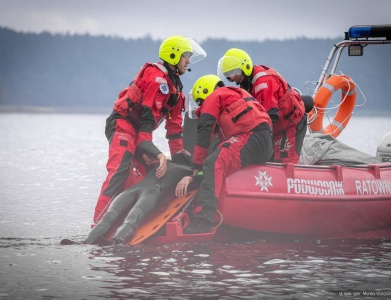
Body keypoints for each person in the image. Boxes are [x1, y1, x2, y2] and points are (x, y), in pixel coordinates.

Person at [93, 35, 207, 224]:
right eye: (186, 55)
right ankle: (98, 223)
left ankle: (128, 220)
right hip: (123, 125)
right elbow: (145, 134)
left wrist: (182, 157)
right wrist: (159, 155)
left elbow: (174, 129)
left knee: (147, 176)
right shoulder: (156, 80)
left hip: (138, 133)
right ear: (173, 55)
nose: (188, 60)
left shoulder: (175, 88)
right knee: (119, 171)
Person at [182, 75, 274, 234]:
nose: (200, 107)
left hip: (251, 136)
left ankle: (203, 220)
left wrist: (197, 166)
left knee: (214, 163)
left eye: (199, 103)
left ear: (205, 92)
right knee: (215, 158)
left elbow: (204, 132)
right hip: (265, 141)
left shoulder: (214, 96)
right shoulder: (234, 95)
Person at [217, 48, 307, 164]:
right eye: (228, 74)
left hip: (291, 124)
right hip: (277, 125)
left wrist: (258, 138)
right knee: (268, 158)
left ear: (246, 67)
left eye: (234, 72)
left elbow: (270, 115)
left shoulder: (263, 83)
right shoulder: (247, 83)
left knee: (283, 162)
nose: (233, 77)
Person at [85, 152, 194, 245]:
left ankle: (116, 241)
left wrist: (190, 178)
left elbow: (204, 175)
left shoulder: (189, 170)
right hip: (135, 190)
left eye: (186, 152)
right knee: (110, 214)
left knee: (133, 215)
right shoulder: (161, 163)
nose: (183, 152)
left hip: (152, 193)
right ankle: (86, 242)